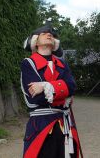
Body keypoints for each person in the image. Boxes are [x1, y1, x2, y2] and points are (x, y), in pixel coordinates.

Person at [21, 23, 81, 158]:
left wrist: (44, 86)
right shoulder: (28, 63)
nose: (49, 35)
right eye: (44, 33)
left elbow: (72, 87)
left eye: (52, 34)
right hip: (41, 126)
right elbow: (37, 98)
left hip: (65, 126)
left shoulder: (62, 64)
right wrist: (62, 93)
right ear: (35, 41)